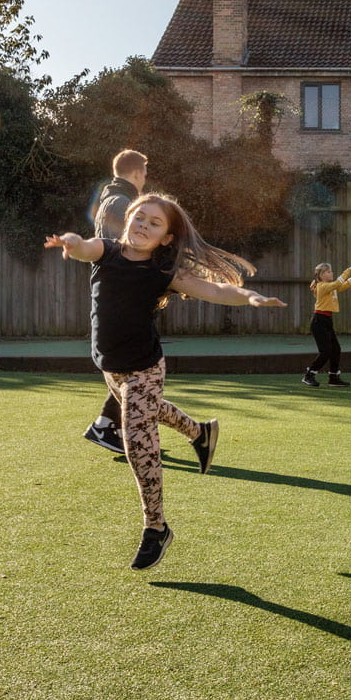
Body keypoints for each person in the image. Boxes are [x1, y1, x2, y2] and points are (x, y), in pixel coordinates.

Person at [45, 192, 286, 571]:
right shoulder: (106, 252)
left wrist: (250, 296)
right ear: (126, 220)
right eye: (138, 217)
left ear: (167, 238)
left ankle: (155, 528)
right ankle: (201, 433)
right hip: (110, 366)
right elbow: (83, 247)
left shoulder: (163, 272)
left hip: (145, 367)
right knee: (149, 410)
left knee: (137, 439)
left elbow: (216, 290)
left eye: (154, 223)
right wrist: (71, 242)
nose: (143, 225)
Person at [83, 149, 149, 454]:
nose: (145, 180)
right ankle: (105, 427)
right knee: (134, 373)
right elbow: (130, 248)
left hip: (122, 298)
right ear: (136, 173)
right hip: (121, 301)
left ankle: (115, 429)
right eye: (144, 174)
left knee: (132, 371)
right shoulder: (121, 203)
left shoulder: (114, 199)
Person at [302, 262, 351, 387]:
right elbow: (338, 283)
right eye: (328, 272)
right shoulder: (322, 286)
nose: (331, 273)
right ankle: (309, 375)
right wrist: (349, 270)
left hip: (326, 320)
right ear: (321, 275)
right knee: (325, 351)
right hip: (319, 321)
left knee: (336, 349)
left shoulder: (331, 287)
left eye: (331, 271)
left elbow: (346, 284)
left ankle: (333, 378)